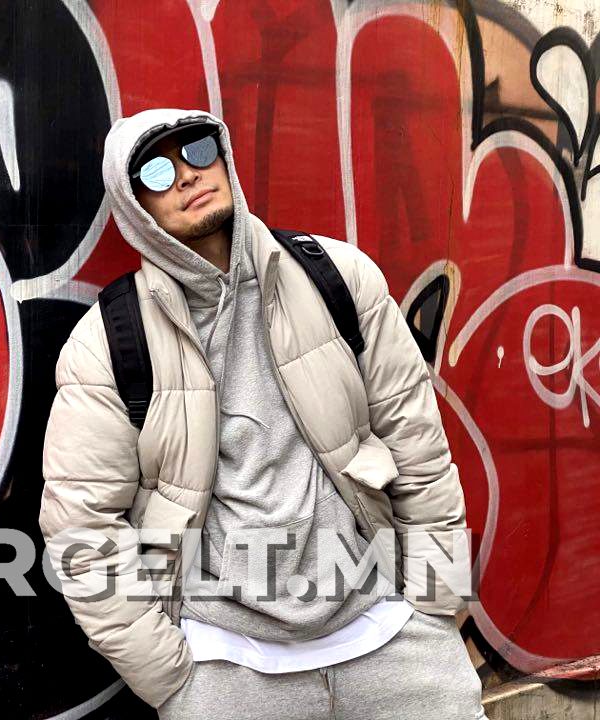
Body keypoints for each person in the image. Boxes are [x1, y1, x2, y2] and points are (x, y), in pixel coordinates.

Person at [38, 107, 486, 719]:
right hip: (226, 669)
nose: (188, 175)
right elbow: (82, 528)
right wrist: (172, 680)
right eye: (156, 171)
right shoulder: (108, 343)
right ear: (133, 205)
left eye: (198, 150)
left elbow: (419, 449)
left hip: (391, 641)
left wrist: (435, 604)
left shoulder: (339, 279)